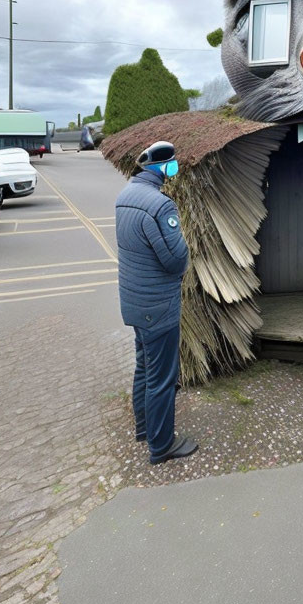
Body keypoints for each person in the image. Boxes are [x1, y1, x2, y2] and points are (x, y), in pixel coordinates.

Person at [115, 140, 198, 464]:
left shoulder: (125, 197)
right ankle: (162, 445)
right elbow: (176, 260)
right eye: (173, 163)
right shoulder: (160, 205)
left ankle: (144, 429)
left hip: (133, 302)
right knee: (162, 378)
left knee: (144, 367)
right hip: (158, 307)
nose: (175, 167)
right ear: (163, 167)